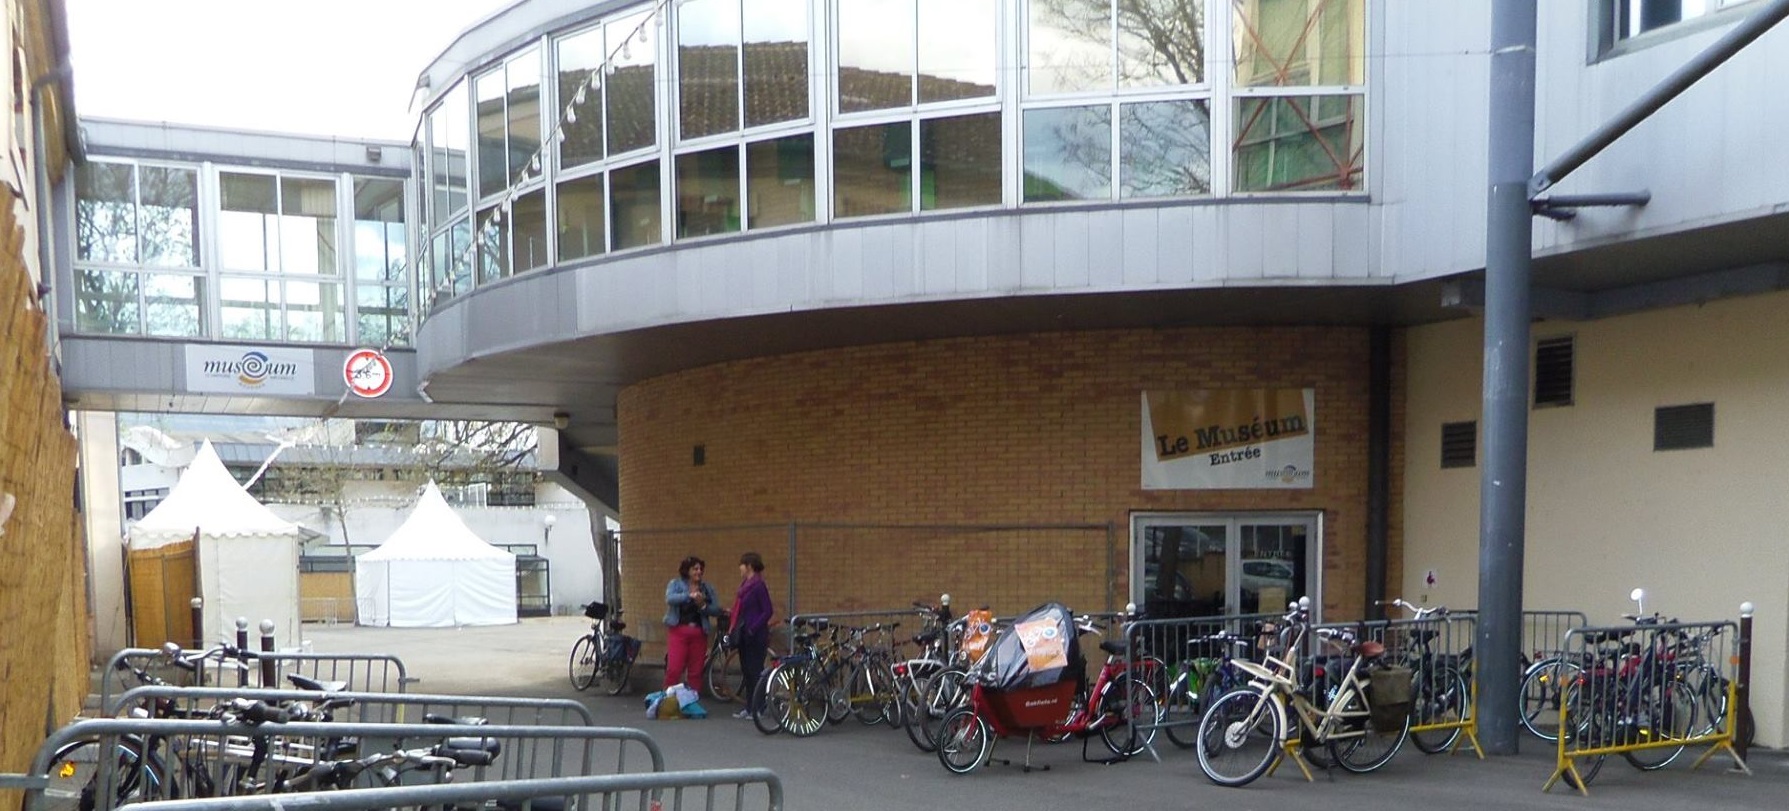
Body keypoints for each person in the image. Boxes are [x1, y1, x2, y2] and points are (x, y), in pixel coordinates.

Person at [663, 555, 724, 694]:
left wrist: (703, 605)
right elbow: (670, 598)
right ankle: (667, 698)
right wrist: (688, 595)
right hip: (678, 631)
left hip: (699, 632)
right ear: (687, 570)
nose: (699, 572)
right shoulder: (675, 584)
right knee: (675, 668)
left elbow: (715, 609)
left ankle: (692, 699)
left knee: (696, 670)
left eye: (700, 569)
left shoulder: (707, 588)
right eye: (695, 569)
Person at [726, 552, 773, 719]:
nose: (740, 568)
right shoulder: (745, 585)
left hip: (755, 635)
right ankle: (749, 706)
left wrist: (754, 627)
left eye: (742, 565)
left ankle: (759, 707)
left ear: (749, 566)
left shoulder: (759, 586)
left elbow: (767, 610)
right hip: (744, 634)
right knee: (746, 671)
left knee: (755, 671)